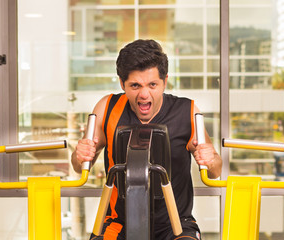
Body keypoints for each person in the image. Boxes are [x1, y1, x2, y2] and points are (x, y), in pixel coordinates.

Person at [71, 39, 222, 240]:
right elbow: (78, 164)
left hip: (175, 224)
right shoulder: (106, 108)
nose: (144, 94)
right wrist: (79, 155)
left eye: (152, 85)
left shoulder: (188, 112)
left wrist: (210, 159)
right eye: (135, 85)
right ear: (122, 83)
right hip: (118, 223)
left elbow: (215, 172)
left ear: (164, 81)